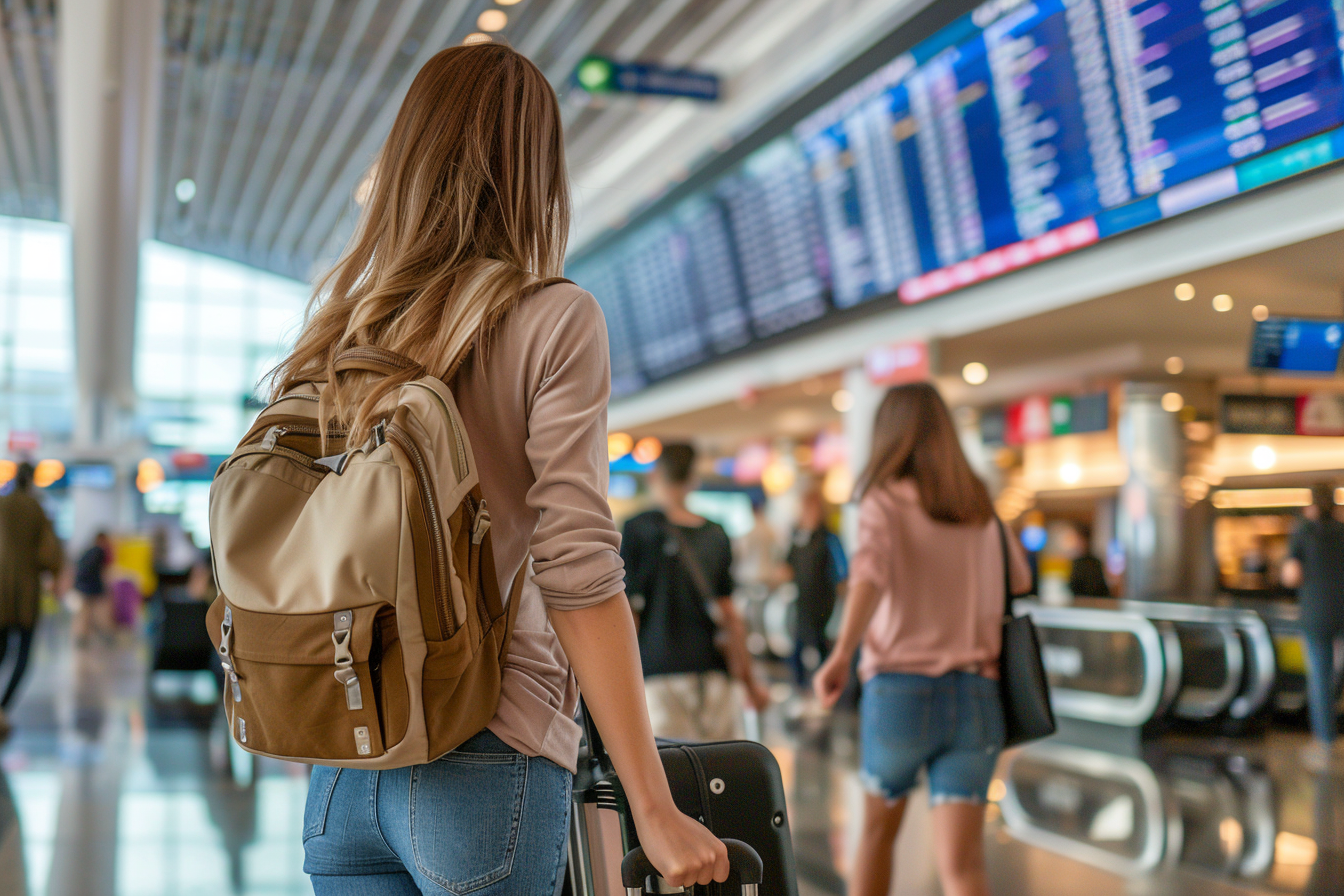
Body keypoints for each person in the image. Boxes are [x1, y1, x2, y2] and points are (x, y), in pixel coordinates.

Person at [273, 45, 731, 894]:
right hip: (491, 753)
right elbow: (580, 576)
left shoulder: (340, 332)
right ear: (534, 169)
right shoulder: (554, 318)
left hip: (343, 765)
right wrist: (654, 806)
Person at [814, 382, 1030, 896]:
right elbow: (1018, 578)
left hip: (901, 694)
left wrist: (842, 653)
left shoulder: (882, 500)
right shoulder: (977, 503)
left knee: (875, 839)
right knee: (963, 866)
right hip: (978, 695)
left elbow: (868, 574)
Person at [622, 445, 770, 741]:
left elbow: (628, 613)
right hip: (713, 670)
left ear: (656, 475)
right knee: (717, 771)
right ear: (693, 478)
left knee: (673, 773)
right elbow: (729, 613)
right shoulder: (715, 533)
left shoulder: (639, 528)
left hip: (657, 670)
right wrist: (751, 683)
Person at [1282, 483, 1344, 770]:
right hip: (1342, 610)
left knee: (1320, 675)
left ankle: (1325, 740)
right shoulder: (1341, 530)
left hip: (1316, 614)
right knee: (1335, 675)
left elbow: (1291, 575)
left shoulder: (1304, 531)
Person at [0, 462, 62, 736]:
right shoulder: (37, 508)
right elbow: (49, 556)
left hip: (0, 590)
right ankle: (3, 709)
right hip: (26, 592)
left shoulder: (2, 505)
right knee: (23, 655)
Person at [782, 489, 848, 687]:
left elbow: (842, 570)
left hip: (823, 602)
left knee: (821, 647)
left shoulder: (829, 537)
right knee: (797, 647)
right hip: (801, 601)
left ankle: (825, 688)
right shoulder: (797, 536)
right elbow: (787, 566)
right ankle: (799, 688)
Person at [72, 531, 113, 645]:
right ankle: (90, 636)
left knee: (85, 612)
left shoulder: (88, 550)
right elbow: (100, 572)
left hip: (83, 586)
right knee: (93, 612)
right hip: (91, 587)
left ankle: (83, 636)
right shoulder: (99, 551)